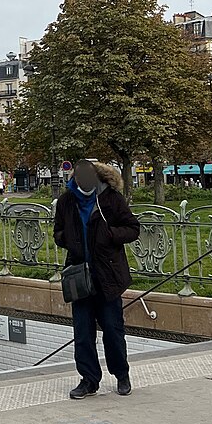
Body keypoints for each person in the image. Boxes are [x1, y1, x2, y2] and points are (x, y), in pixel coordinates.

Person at [53, 158, 140, 399]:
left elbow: (133, 228)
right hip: (79, 276)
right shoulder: (66, 201)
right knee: (82, 332)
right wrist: (67, 238)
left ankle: (122, 375)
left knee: (113, 329)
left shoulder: (111, 198)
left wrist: (110, 234)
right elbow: (57, 232)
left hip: (108, 273)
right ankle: (89, 380)